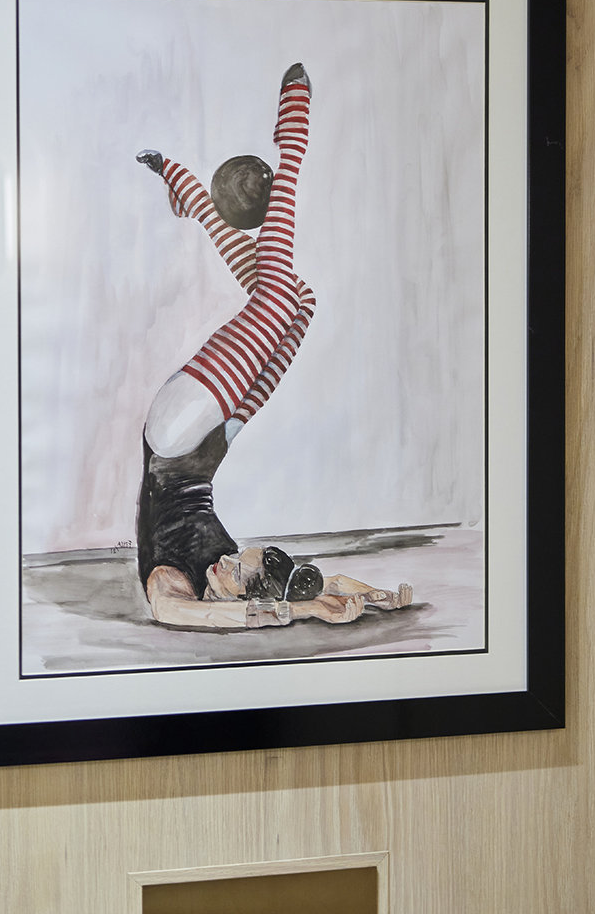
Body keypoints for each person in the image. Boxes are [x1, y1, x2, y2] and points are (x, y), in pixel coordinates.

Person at [134, 63, 412, 630]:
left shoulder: (176, 581)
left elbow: (176, 613)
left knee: (274, 299)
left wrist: (295, 612)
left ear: (238, 596)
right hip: (215, 440)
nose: (229, 562)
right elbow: (321, 581)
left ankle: (289, 145)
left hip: (172, 434)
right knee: (297, 302)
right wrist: (381, 596)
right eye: (243, 562)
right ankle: (193, 196)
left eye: (235, 572)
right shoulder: (239, 571)